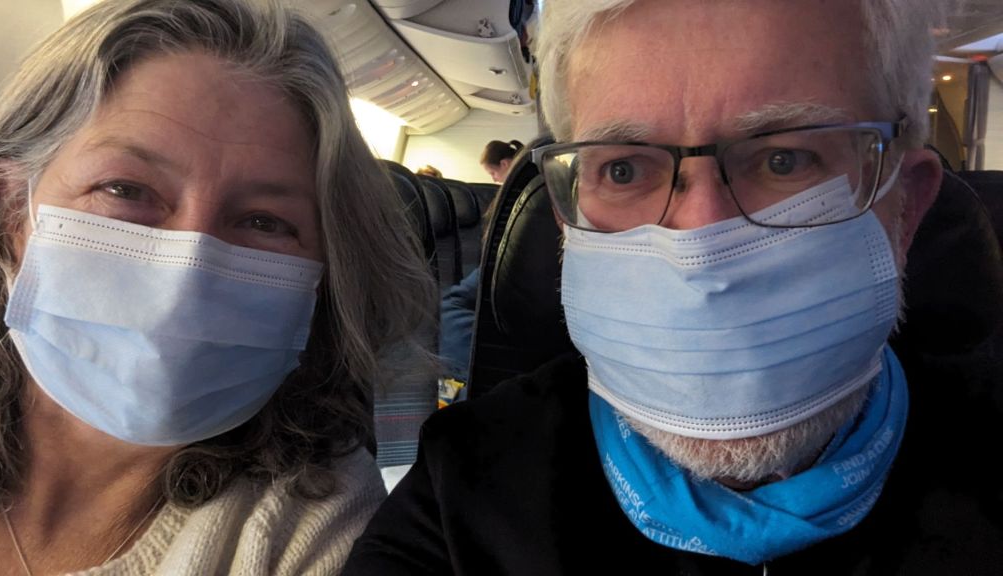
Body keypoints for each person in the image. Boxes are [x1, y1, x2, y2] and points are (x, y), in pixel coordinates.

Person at [344, 0, 1003, 573]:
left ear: (905, 207)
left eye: (784, 159)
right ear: (566, 217)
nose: (701, 242)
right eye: (624, 170)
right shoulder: (463, 486)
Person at [0, 0, 435, 574]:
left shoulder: (313, 529)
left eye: (264, 222)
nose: (188, 270)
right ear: (10, 208)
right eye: (125, 190)